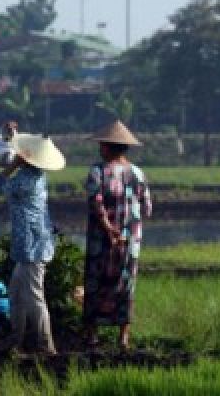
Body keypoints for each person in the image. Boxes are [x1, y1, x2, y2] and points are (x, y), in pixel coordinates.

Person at [0, 132, 65, 355]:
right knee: (16, 293)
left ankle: (46, 346)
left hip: (32, 247)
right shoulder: (38, 176)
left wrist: (13, 164)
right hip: (30, 246)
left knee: (34, 296)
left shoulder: (25, 180)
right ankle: (16, 340)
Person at [83, 119, 153, 350]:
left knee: (95, 282)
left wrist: (108, 228)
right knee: (126, 284)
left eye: (103, 145)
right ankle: (123, 336)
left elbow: (96, 202)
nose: (100, 149)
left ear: (109, 146)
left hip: (101, 241)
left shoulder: (98, 172)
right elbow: (147, 209)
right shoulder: (138, 173)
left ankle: (92, 334)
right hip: (130, 241)